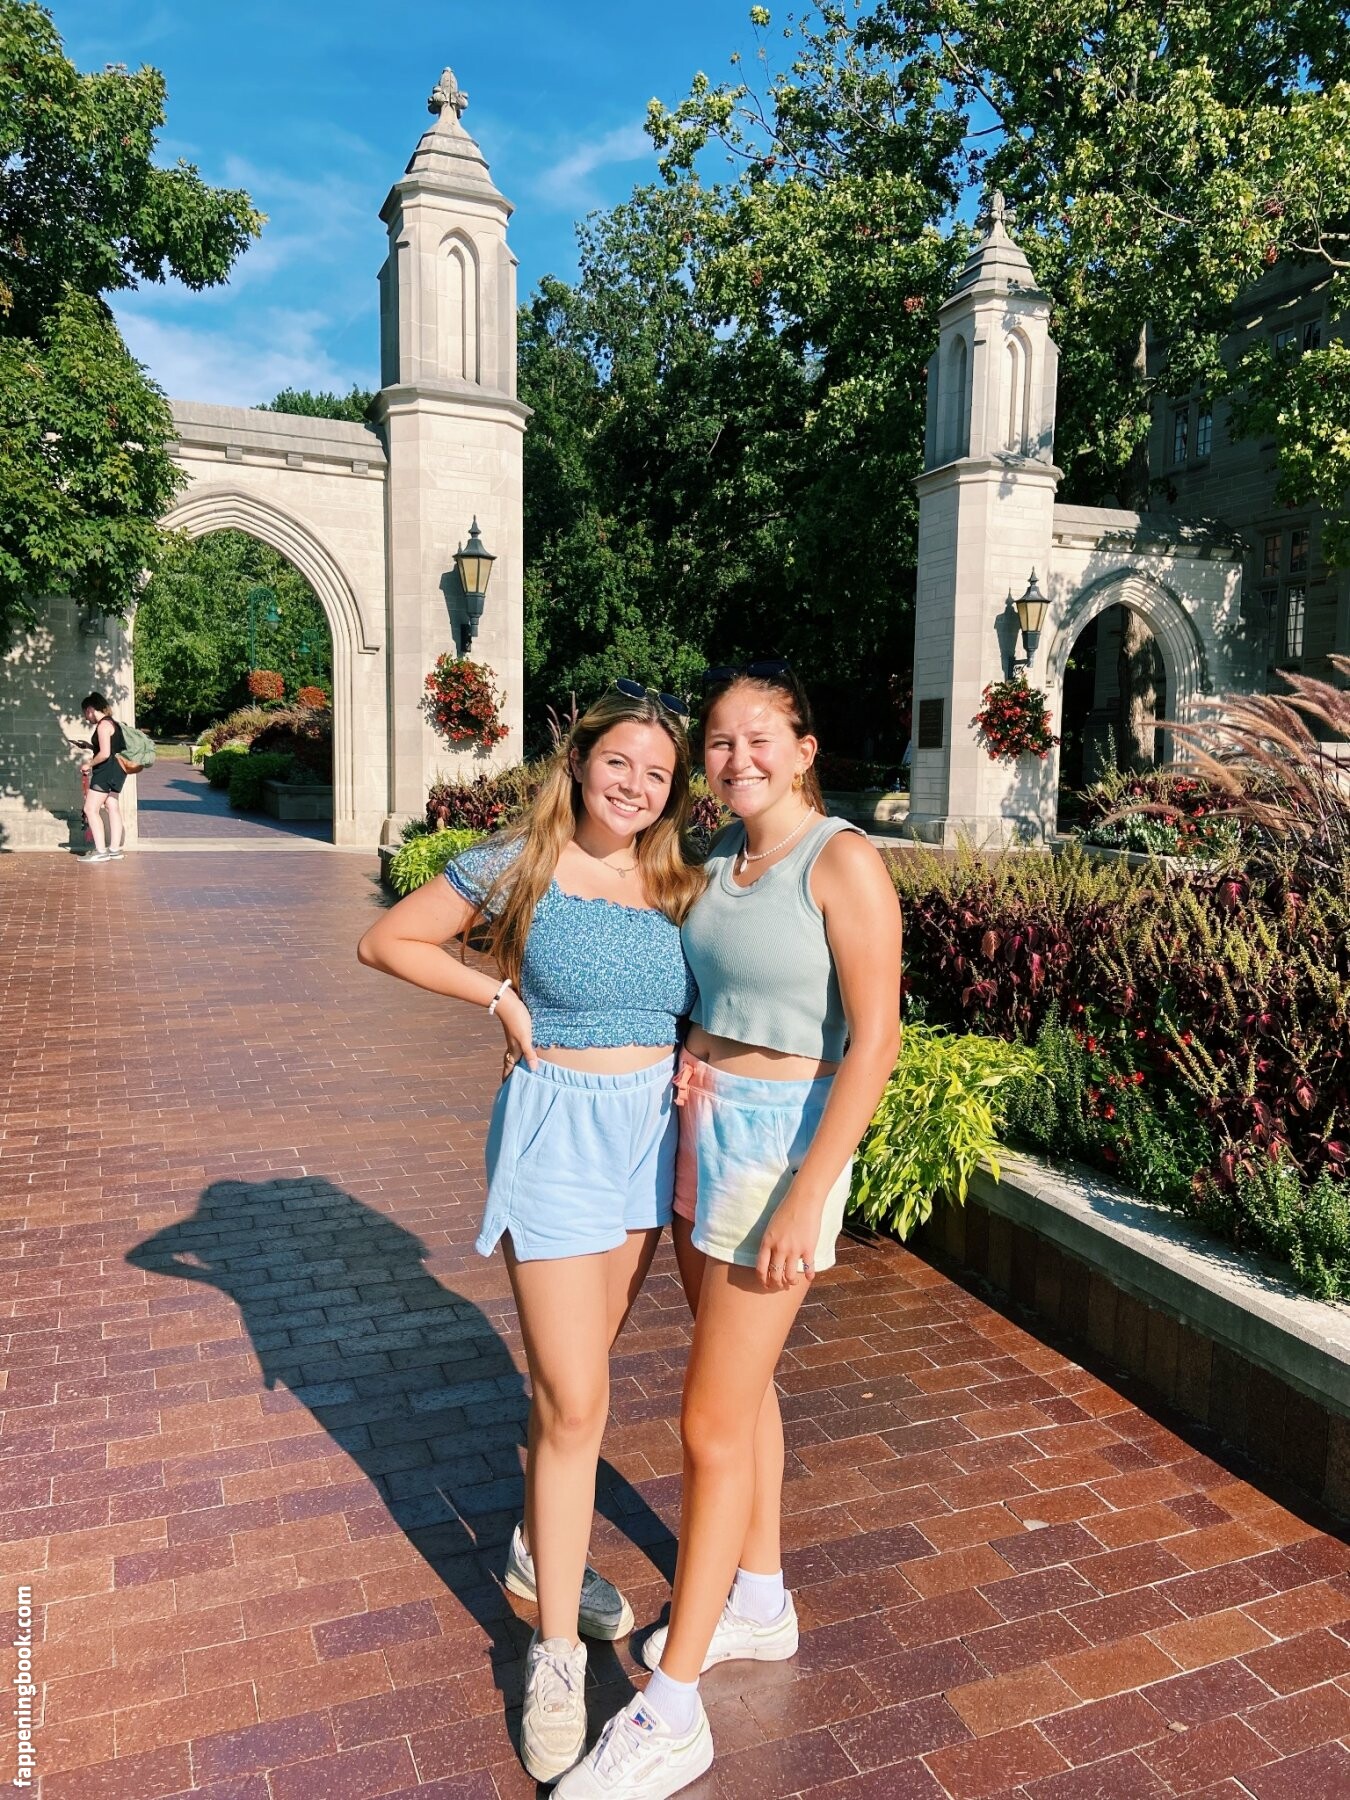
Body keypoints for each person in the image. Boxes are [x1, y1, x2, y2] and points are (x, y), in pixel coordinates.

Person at [558, 664, 902, 1799]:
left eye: (760, 739)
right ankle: (759, 1598)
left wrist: (811, 1191)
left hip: (776, 1147)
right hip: (697, 1121)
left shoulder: (839, 860)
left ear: (805, 749)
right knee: (742, 1397)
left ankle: (674, 1711)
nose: (736, 757)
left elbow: (876, 1041)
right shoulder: (716, 859)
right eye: (718, 740)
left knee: (706, 1421)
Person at [356, 684, 704, 1786]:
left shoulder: (679, 880)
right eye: (619, 763)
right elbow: (387, 940)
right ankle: (554, 1650)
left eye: (656, 774)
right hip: (557, 1134)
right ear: (580, 760)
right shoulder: (523, 861)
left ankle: (529, 1548)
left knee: (576, 1385)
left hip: (647, 1139)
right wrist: (495, 1000)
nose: (635, 786)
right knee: (579, 1401)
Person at [79, 693, 128, 862]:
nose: (86, 718)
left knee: (90, 809)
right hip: (118, 771)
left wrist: (89, 764)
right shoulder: (113, 723)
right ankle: (114, 849)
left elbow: (105, 753)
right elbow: (111, 749)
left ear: (90, 709)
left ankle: (100, 851)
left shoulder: (103, 725)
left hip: (106, 771)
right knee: (111, 806)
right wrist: (90, 746)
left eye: (85, 713)